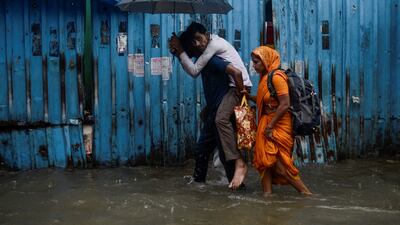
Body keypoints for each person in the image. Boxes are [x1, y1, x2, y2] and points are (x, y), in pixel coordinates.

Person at [169, 22, 251, 189]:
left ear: (206, 34)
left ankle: (239, 168)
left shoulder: (212, 57)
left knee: (222, 143)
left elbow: (195, 71)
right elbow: (195, 69)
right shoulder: (204, 58)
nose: (197, 45)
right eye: (193, 43)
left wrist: (242, 94)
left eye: (198, 40)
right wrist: (179, 52)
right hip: (215, 107)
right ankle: (200, 184)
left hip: (232, 95)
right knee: (203, 149)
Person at [250, 46, 312, 196]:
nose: (254, 65)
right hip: (268, 123)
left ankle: (306, 193)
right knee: (265, 163)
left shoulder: (276, 77)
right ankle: (267, 196)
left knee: (279, 166)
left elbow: (284, 104)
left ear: (266, 61)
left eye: (257, 62)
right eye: (253, 62)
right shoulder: (264, 79)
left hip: (278, 125)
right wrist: (247, 96)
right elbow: (265, 101)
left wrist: (270, 127)